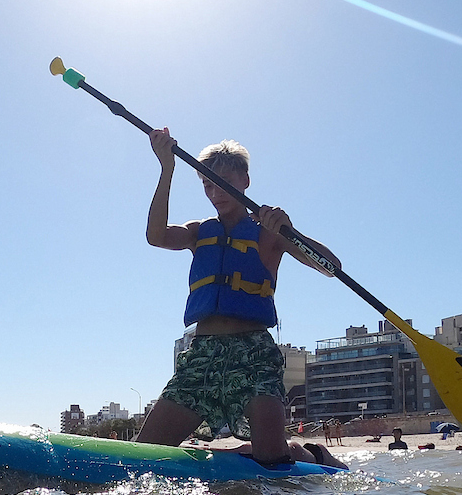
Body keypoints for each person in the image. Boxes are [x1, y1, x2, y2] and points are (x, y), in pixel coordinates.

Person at [136, 130, 348, 470]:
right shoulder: (198, 231)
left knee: (272, 460)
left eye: (224, 183)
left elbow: (331, 267)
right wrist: (167, 168)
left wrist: (289, 230)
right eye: (207, 185)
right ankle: (246, 453)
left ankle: (308, 454)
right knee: (144, 454)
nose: (215, 193)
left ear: (245, 181)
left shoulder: (269, 233)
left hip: (254, 354)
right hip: (202, 355)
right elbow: (155, 236)